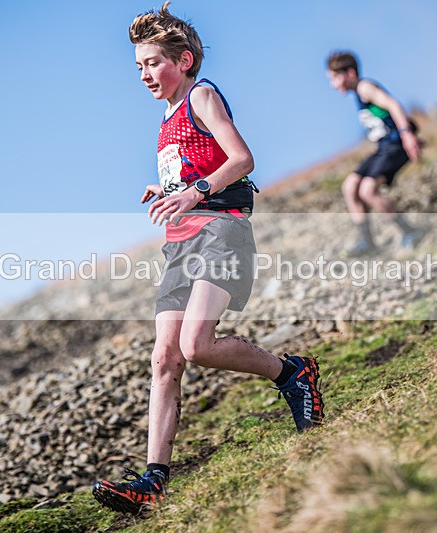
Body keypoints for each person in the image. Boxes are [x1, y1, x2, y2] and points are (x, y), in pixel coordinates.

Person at [92, 2, 324, 515]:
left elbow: (241, 159)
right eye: (138, 67)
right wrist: (168, 188)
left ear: (186, 59)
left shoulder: (202, 94)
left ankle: (291, 372)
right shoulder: (165, 118)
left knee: (196, 346)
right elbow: (200, 168)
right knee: (164, 358)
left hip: (221, 230)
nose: (145, 74)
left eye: (153, 62)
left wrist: (194, 191)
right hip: (180, 241)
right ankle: (152, 482)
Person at [326, 51, 425, 255]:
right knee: (350, 186)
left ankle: (410, 231)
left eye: (335, 77)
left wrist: (407, 134)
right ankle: (368, 242)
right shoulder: (358, 93)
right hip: (382, 148)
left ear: (350, 73)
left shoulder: (365, 88)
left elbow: (393, 104)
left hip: (395, 146)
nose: (333, 84)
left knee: (368, 191)